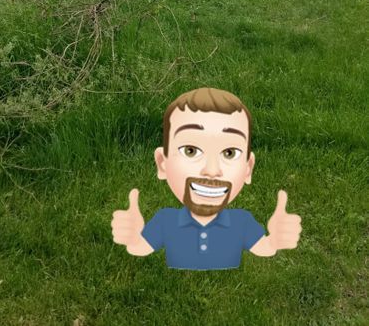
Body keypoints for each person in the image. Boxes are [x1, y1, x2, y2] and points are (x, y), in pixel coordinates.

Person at [111, 87, 302, 270]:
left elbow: (264, 248)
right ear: (162, 163)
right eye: (191, 151)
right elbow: (140, 248)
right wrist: (132, 238)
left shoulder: (243, 223)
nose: (211, 170)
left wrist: (276, 241)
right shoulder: (164, 221)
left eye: (229, 153)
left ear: (248, 168)